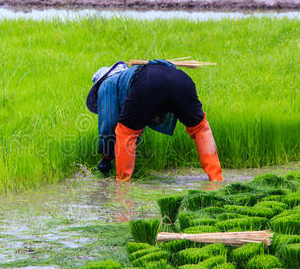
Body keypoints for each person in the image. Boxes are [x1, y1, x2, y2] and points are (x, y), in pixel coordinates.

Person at [86, 59, 224, 182]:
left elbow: (108, 123)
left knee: (125, 133)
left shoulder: (107, 84)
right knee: (200, 128)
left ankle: (122, 187)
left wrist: (106, 157)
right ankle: (217, 179)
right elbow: (139, 119)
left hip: (149, 83)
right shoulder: (133, 75)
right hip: (182, 80)